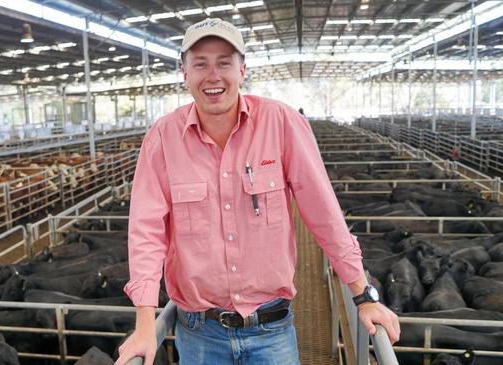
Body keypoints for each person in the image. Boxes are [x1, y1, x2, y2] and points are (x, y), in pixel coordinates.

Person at [115, 18, 400, 365]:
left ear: (242, 69)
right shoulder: (162, 138)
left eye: (224, 63)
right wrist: (145, 322)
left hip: (272, 330)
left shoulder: (281, 123)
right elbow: (146, 230)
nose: (213, 76)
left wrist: (363, 295)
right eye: (200, 64)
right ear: (184, 73)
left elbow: (323, 212)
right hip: (199, 334)